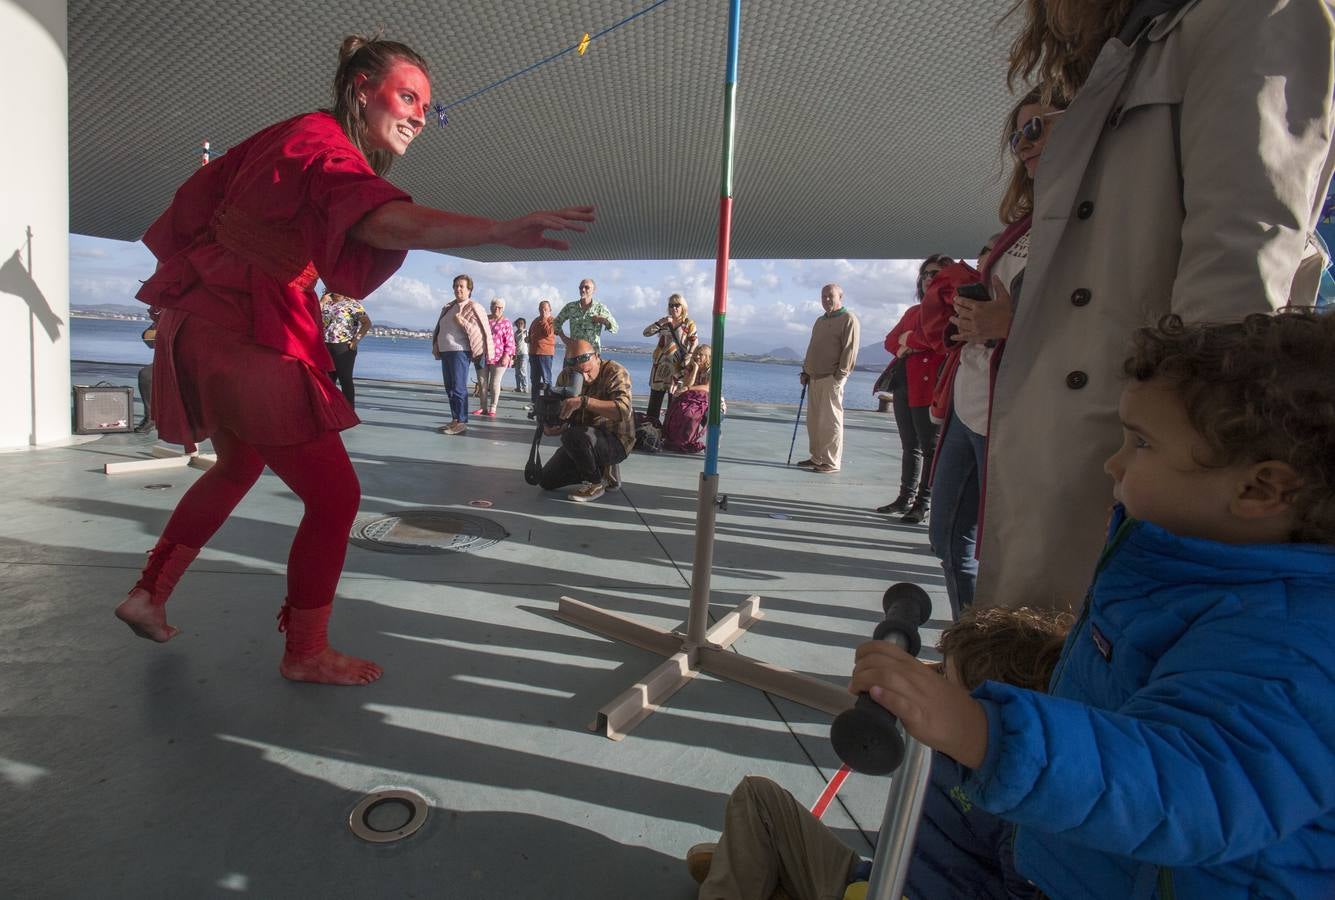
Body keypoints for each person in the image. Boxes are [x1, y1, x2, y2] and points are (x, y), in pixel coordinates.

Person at [114, 34, 594, 686]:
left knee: (235, 467)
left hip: (200, 320)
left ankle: (149, 592)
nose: (420, 115)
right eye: (406, 96)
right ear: (361, 89)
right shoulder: (322, 147)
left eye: (428, 105)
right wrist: (495, 229)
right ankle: (305, 650)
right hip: (248, 329)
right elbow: (384, 224)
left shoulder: (295, 135)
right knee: (337, 498)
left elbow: (207, 206)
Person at [851, 310, 1335, 898]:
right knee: (949, 783)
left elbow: (1189, 787)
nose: (1115, 462)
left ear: (1259, 490)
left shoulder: (1293, 645)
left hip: (1144, 874)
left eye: (1143, 443)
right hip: (1083, 849)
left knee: (957, 765)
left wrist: (981, 728)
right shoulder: (1186, 565)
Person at [979, 0, 1335, 613]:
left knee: (1090, 672)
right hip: (1089, 449)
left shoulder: (1256, 14)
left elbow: (1236, 292)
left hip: (1136, 463)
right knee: (1031, 666)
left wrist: (1171, 473)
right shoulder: (1142, 43)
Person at [689, 604, 1073, 900]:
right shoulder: (941, 745)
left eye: (945, 679)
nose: (933, 684)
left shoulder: (1023, 817)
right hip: (873, 879)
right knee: (758, 798)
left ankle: (751, 871)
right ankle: (753, 870)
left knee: (749, 853)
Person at [921, 87, 1067, 619]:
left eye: (1037, 126)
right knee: (946, 537)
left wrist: (1013, 325)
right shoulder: (1024, 227)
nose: (1023, 143)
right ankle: (969, 638)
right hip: (970, 401)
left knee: (1010, 549)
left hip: (1016, 411)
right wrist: (967, 323)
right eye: (1016, 134)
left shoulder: (1087, 221)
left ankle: (990, 653)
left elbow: (1105, 323)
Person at [875, 257, 949, 525]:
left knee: (929, 448)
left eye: (936, 273)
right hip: (905, 384)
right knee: (910, 446)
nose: (929, 277)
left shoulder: (949, 310)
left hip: (930, 387)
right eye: (926, 273)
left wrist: (910, 340)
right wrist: (907, 345)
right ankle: (904, 498)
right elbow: (890, 341)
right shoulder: (912, 312)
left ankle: (923, 503)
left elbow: (938, 339)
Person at [537, 339, 633, 503]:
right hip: (582, 439)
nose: (585, 378)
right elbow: (563, 415)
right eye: (578, 374)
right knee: (546, 480)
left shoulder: (615, 372)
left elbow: (623, 411)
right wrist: (552, 426)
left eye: (588, 371)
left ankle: (595, 483)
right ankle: (600, 469)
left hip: (615, 440)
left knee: (573, 435)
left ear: (597, 357)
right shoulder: (566, 376)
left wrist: (584, 401)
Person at [796, 284, 859, 475]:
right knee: (814, 421)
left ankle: (831, 462)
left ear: (840, 297)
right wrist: (806, 371)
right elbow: (812, 346)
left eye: (830, 296)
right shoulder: (820, 321)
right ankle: (817, 457)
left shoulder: (849, 319)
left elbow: (850, 349)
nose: (826, 300)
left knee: (830, 421)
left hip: (832, 377)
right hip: (814, 377)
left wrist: (840, 375)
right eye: (823, 296)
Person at [432, 273, 494, 434]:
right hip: (446, 351)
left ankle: (462, 421)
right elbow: (439, 328)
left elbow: (482, 331)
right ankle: (454, 419)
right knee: (450, 388)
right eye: (456, 286)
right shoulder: (448, 307)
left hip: (460, 351)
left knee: (459, 387)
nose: (458, 289)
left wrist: (463, 321)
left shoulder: (474, 307)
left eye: (461, 286)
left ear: (469, 290)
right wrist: (435, 344)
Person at [643, 293, 698, 424]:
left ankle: (669, 433)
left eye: (677, 305)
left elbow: (694, 342)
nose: (674, 308)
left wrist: (689, 356)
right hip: (660, 367)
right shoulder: (664, 322)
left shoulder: (688, 324)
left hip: (677, 368)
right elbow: (646, 333)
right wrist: (660, 322)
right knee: (654, 403)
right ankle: (651, 430)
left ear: (683, 306)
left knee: (674, 402)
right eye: (671, 305)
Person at [320, 290, 371, 409]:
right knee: (327, 380)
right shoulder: (326, 301)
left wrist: (356, 340)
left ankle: (349, 410)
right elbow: (311, 316)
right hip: (325, 345)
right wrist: (321, 302)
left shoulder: (352, 304)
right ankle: (328, 410)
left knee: (345, 379)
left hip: (343, 347)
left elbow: (367, 323)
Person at [662, 344, 713, 453]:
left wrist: (689, 388)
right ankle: (675, 439)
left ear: (708, 357)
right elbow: (686, 384)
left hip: (707, 399)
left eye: (701, 355)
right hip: (691, 397)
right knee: (677, 411)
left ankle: (687, 440)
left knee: (690, 415)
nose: (698, 357)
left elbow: (708, 387)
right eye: (696, 354)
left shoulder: (711, 370)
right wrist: (695, 369)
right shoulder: (690, 367)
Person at [554, 278, 618, 350]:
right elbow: (556, 322)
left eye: (586, 287)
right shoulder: (570, 307)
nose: (583, 290)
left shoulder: (600, 308)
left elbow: (615, 328)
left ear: (594, 290)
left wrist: (603, 320)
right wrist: (564, 339)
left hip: (592, 356)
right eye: (581, 288)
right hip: (573, 354)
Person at [478, 297, 513, 417]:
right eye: (494, 306)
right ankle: (483, 407)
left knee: (494, 383)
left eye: (499, 307)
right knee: (482, 382)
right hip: (483, 355)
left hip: (499, 356)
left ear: (503, 309)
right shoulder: (484, 319)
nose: (496, 309)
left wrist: (506, 355)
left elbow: (509, 341)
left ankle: (493, 407)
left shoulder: (506, 322)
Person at [134, 309, 160, 433]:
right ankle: (150, 417)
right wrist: (157, 320)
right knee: (146, 374)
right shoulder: (167, 316)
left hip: (200, 360)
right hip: (171, 361)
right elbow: (149, 341)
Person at [527, 299, 557, 407]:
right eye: (540, 309)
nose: (542, 311)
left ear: (550, 309)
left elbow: (548, 333)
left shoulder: (552, 321)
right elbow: (530, 333)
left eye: (545, 309)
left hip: (545, 353)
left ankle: (548, 402)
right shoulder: (535, 320)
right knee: (534, 379)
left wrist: (544, 319)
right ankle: (534, 402)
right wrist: (528, 338)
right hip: (533, 352)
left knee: (546, 378)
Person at [512, 316, 529, 394]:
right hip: (517, 354)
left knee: (523, 370)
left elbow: (529, 340)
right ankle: (518, 387)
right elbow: (514, 344)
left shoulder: (526, 331)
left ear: (524, 324)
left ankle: (525, 387)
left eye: (522, 323)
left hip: (524, 353)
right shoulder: (515, 333)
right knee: (517, 371)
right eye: (518, 323)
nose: (520, 324)